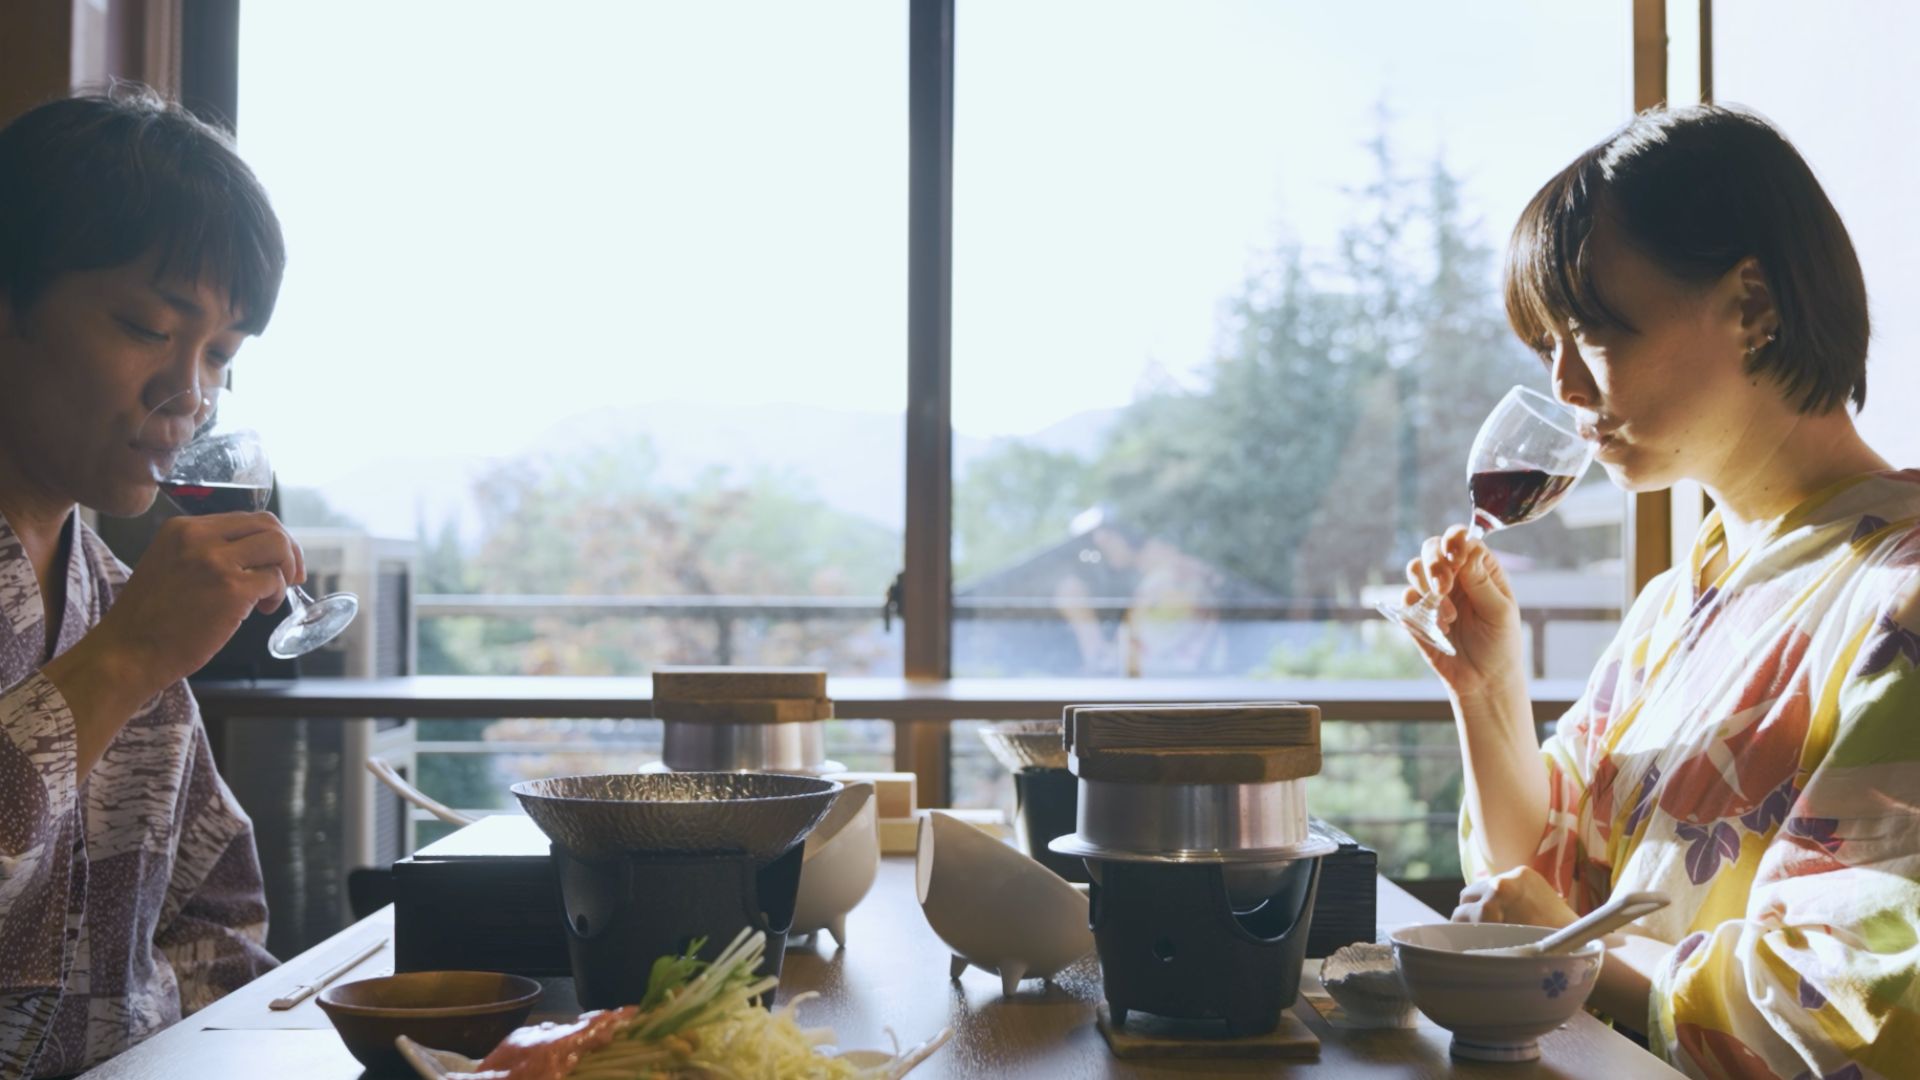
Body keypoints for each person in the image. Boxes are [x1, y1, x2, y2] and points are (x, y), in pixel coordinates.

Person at [1403, 104, 1919, 1078]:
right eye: (1544, 344)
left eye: (1591, 332)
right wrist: (1487, 688)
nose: (1561, 383)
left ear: (1752, 304)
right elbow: (1539, 886)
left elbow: (1854, 1008)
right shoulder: (1677, 604)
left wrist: (1578, 956)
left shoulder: (1902, 600)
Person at [0, 88, 305, 1076]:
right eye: (145, 325)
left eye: (219, 354)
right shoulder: (135, 627)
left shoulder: (110, 584)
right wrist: (126, 656)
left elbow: (216, 907)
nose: (189, 395)